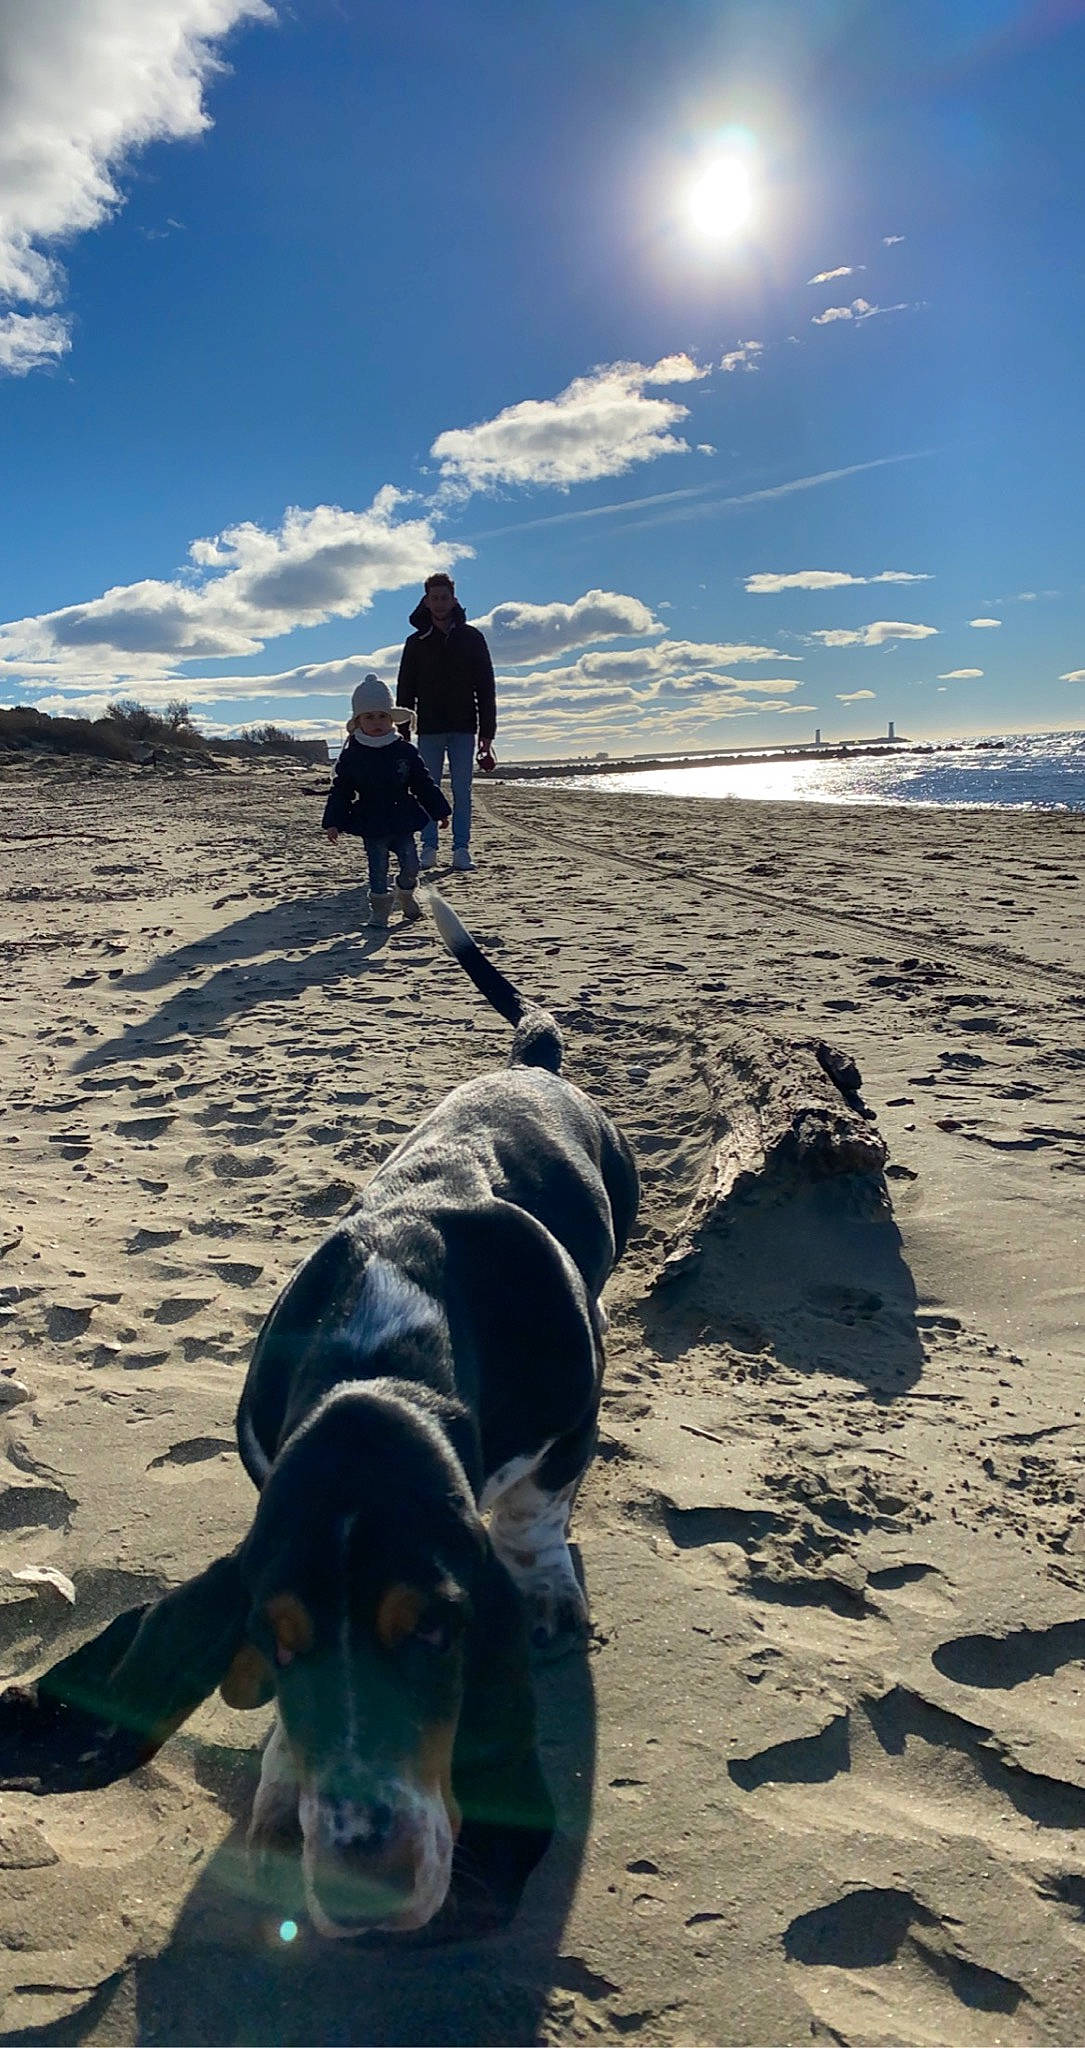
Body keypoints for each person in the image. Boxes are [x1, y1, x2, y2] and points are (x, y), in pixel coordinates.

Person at [322, 674, 450, 928]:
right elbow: (341, 790)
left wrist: (440, 810)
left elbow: (422, 783)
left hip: (402, 818)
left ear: (392, 719)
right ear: (358, 721)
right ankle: (380, 910)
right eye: (369, 717)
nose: (377, 722)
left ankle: (406, 893)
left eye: (382, 716)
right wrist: (333, 822)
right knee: (377, 868)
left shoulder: (405, 750)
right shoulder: (353, 754)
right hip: (371, 820)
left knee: (411, 865)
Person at [395, 572, 496, 872]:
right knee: (428, 789)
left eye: (445, 597)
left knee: (463, 791)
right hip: (428, 729)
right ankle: (429, 847)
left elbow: (486, 686)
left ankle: (461, 849)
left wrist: (488, 732)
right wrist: (403, 731)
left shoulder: (472, 637)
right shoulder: (415, 642)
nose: (440, 603)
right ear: (426, 601)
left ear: (454, 600)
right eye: (434, 598)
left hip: (465, 727)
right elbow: (405, 688)